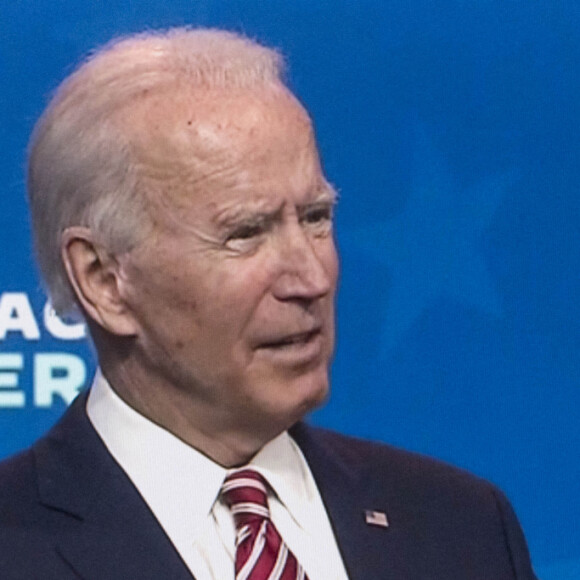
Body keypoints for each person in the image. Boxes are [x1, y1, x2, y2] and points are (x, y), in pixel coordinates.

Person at [0, 28, 537, 579]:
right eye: (246, 233)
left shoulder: (462, 526)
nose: (310, 278)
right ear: (104, 279)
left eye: (315, 218)